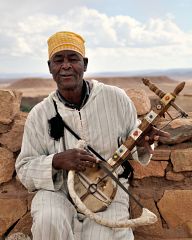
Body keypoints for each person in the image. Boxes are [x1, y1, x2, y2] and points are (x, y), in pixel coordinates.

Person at [15, 31, 169, 240]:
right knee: (49, 221)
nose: (66, 65)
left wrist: (142, 143)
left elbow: (132, 144)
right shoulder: (39, 114)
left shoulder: (116, 98)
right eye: (58, 60)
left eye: (73, 59)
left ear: (85, 64)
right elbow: (24, 168)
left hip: (108, 189)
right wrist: (57, 161)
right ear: (50, 67)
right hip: (58, 191)